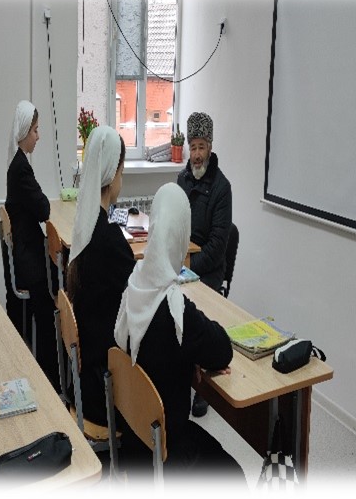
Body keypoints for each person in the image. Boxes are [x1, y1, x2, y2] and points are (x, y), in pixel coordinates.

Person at [114, 182, 245, 486]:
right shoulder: (176, 311)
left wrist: (188, 355)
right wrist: (193, 353)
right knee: (235, 475)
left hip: (132, 443)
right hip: (165, 451)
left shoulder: (133, 286)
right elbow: (222, 350)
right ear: (181, 236)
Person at [66, 126, 135, 427]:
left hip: (85, 381)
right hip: (105, 391)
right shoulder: (109, 241)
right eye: (122, 170)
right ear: (112, 173)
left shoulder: (86, 227)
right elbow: (142, 305)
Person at [176, 111, 232, 417]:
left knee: (192, 313)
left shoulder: (222, 188)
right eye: (193, 147)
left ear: (210, 147)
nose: (196, 154)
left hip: (207, 269)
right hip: (183, 264)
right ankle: (182, 369)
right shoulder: (182, 180)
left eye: (202, 147)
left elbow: (218, 245)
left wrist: (189, 269)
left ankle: (203, 386)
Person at [4, 100, 60, 393]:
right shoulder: (21, 169)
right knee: (56, 294)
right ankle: (52, 374)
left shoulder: (19, 164)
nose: (38, 136)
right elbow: (43, 209)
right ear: (25, 131)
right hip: (29, 261)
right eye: (36, 130)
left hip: (25, 252)